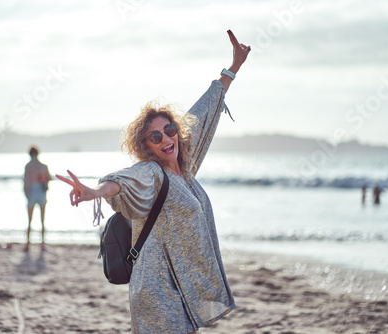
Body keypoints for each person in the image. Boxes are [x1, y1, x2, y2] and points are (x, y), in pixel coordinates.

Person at [56, 30, 250, 333]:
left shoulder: (185, 169)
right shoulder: (152, 173)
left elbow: (205, 109)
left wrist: (234, 66)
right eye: (155, 136)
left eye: (169, 129)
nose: (166, 138)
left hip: (181, 289)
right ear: (147, 147)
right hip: (157, 290)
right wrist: (94, 192)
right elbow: (122, 181)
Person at [24, 146, 52, 252]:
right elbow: (49, 178)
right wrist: (42, 178)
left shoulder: (28, 166)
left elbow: (26, 183)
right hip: (41, 192)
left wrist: (27, 195)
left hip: (32, 191)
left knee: (29, 220)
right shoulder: (43, 166)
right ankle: (42, 244)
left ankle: (28, 244)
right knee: (42, 220)